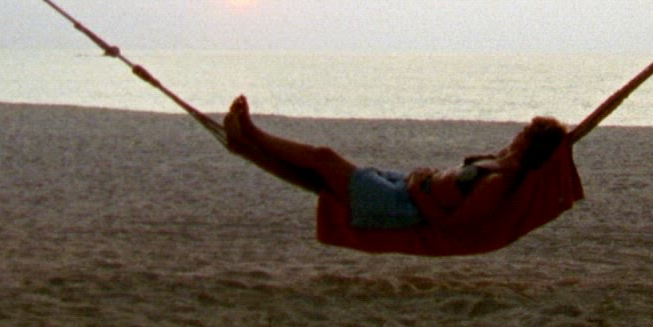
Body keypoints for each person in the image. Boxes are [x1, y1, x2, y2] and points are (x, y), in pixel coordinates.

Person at [223, 95, 571, 234]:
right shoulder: (502, 163)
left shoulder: (499, 184)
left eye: (525, 133)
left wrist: (419, 191)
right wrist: (423, 180)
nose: (517, 133)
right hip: (402, 187)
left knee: (322, 159)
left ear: (531, 144)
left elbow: (452, 226)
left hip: (403, 206)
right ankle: (245, 146)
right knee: (320, 178)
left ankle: (251, 134)